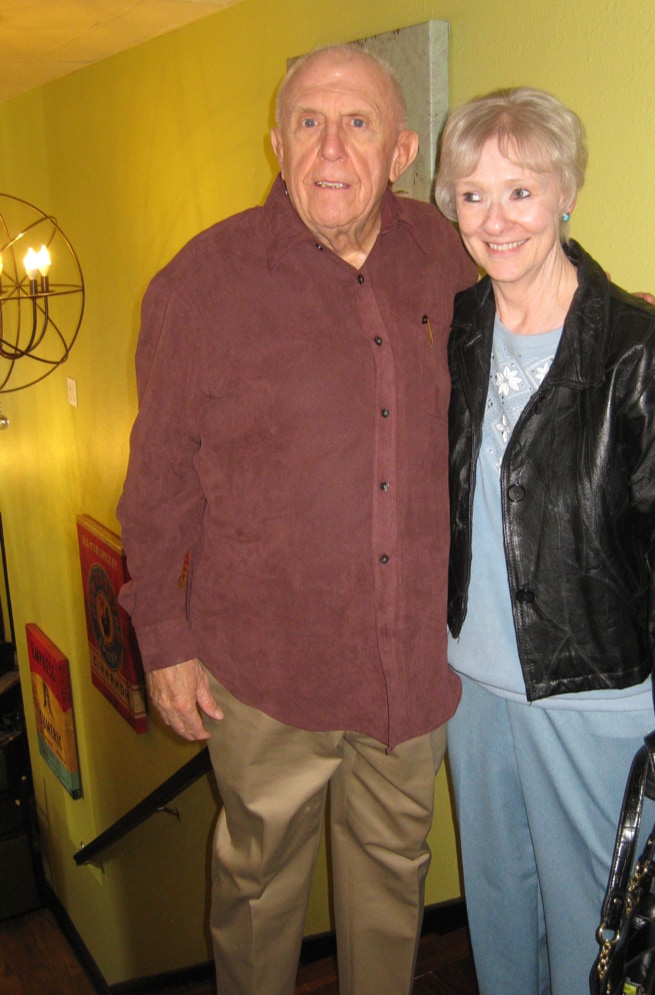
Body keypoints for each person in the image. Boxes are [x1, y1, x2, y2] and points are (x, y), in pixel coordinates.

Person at [117, 45, 477, 995]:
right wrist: (164, 639)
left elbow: (541, 276)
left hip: (409, 665)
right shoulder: (200, 284)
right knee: (255, 892)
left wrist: (614, 320)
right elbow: (157, 484)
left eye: (357, 123)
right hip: (264, 673)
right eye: (308, 123)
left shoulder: (447, 252)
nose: (331, 148)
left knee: (393, 889)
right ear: (276, 144)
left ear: (401, 150)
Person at [434, 87, 655, 994]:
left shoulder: (644, 353)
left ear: (566, 192)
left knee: (597, 943)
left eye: (520, 191)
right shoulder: (459, 329)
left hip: (595, 698)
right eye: (474, 194)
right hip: (473, 695)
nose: (496, 219)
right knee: (498, 926)